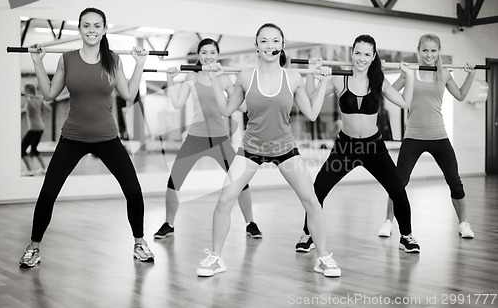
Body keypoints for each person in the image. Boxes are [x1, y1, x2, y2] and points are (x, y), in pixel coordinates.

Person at [196, 23, 341, 278]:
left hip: (285, 147)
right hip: (252, 147)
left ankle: (323, 257)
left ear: (282, 45)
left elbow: (311, 113)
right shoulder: (244, 76)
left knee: (311, 201)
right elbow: (228, 110)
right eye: (264, 41)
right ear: (256, 45)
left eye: (275, 41)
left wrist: (324, 83)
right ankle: (216, 258)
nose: (270, 46)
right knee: (224, 199)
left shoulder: (293, 77)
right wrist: (218, 80)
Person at [18, 7, 155, 268]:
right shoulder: (67, 60)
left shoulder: (113, 60)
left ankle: (139, 243)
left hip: (107, 137)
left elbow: (128, 95)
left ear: (104, 29)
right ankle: (33, 248)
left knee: (134, 191)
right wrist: (37, 63)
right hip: (73, 137)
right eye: (86, 25)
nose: (91, 30)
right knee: (48, 193)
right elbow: (48, 94)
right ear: (79, 29)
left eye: (96, 25)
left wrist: (140, 65)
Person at [296, 34, 421, 254]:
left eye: (366, 54)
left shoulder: (379, 81)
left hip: (374, 148)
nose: (361, 58)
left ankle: (406, 236)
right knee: (318, 189)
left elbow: (405, 102)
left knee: (398, 190)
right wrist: (311, 74)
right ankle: (308, 233)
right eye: (357, 53)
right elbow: (309, 97)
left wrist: (409, 76)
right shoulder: (339, 78)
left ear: (373, 57)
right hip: (346, 147)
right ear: (351, 53)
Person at [153, 38, 262, 240]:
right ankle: (169, 224)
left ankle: (251, 223)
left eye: (212, 52)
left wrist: (243, 86)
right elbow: (177, 104)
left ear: (217, 55)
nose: (208, 56)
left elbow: (243, 107)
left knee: (240, 181)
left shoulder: (223, 78)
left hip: (220, 139)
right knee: (173, 181)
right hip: (195, 137)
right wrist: (170, 79)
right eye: (204, 52)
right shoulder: (191, 77)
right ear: (198, 55)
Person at [378, 34, 476, 239]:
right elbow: (387, 92)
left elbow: (460, 96)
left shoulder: (445, 74)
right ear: (418, 51)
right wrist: (380, 72)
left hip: (439, 135)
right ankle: (388, 221)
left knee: (455, 182)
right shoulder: (409, 73)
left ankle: (463, 224)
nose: (429, 55)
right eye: (425, 50)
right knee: (399, 181)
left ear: (438, 51)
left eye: (433, 50)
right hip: (413, 135)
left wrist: (471, 76)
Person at [21, 83, 51, 176]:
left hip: (35, 128)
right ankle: (44, 169)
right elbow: (48, 109)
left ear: (28, 91)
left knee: (21, 149)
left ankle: (30, 171)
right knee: (34, 149)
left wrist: (43, 101)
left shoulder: (33, 100)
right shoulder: (36, 99)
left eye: (25, 90)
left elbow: (48, 109)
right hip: (40, 128)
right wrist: (40, 100)